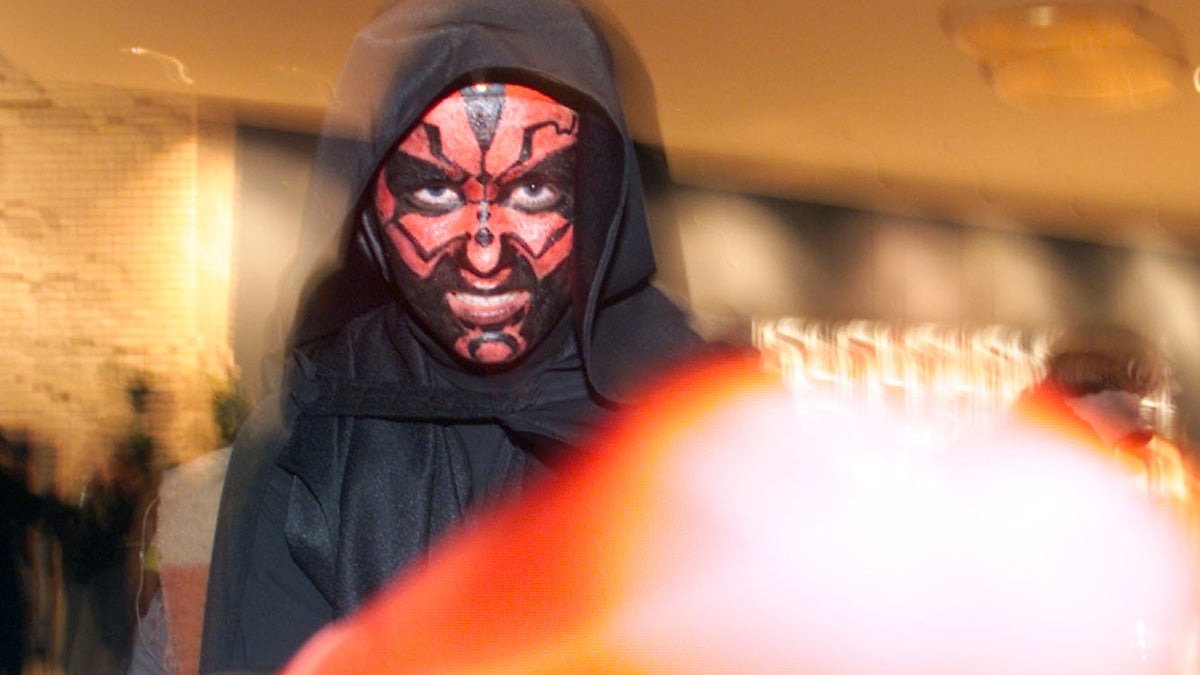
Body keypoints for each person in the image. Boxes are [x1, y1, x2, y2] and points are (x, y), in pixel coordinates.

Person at [199, 0, 709, 671]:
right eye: (434, 193)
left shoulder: (697, 442)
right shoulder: (311, 446)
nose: (486, 254)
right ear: (371, 207)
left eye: (535, 191)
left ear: (597, 197)